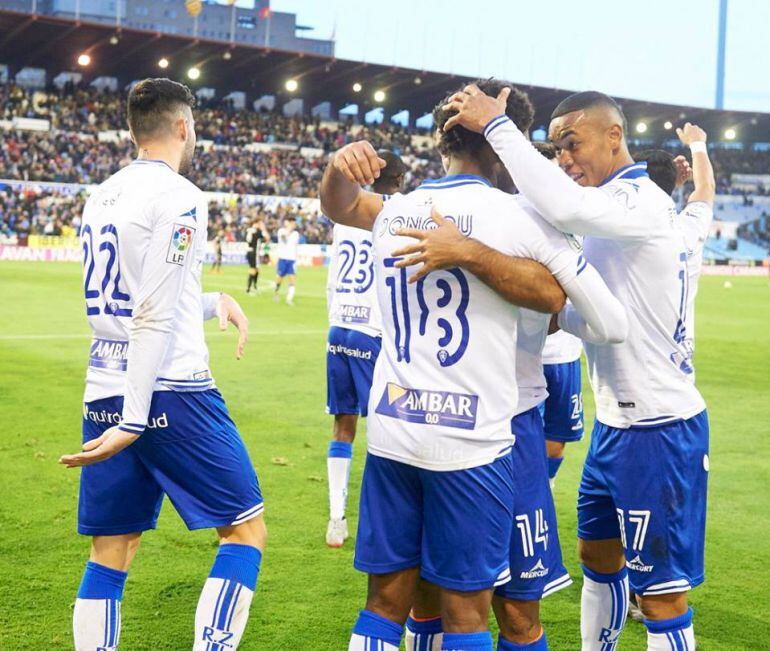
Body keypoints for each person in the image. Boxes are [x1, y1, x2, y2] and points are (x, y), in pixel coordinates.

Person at [321, 78, 627, 651]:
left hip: (403, 424)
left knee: (399, 600)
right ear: (501, 140)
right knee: (476, 609)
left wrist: (339, 168)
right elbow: (559, 297)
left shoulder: (400, 211)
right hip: (485, 435)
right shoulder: (523, 219)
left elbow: (341, 205)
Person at [444, 86, 710, 650]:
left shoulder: (638, 199)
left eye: (572, 143)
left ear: (615, 135)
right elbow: (608, 313)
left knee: (661, 593)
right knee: (598, 556)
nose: (562, 158)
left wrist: (497, 126)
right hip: (616, 425)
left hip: (660, 427)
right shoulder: (606, 209)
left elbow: (564, 206)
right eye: (555, 147)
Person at [59, 78, 266, 651]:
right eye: (194, 124)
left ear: (133, 130)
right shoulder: (179, 196)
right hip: (168, 392)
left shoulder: (100, 195)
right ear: (182, 126)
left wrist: (211, 302)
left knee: (112, 548)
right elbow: (149, 311)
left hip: (103, 385)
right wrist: (135, 416)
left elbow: (134, 296)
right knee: (245, 532)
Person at [324, 152, 405, 548]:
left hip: (339, 328)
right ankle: (383, 521)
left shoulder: (345, 218)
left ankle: (336, 519)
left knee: (343, 426)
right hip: (373, 332)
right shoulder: (394, 213)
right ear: (401, 178)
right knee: (387, 427)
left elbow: (330, 282)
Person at [533, 142, 585, 486]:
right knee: (518, 439)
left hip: (565, 353)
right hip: (526, 354)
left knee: (557, 440)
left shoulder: (577, 212)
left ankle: (544, 494)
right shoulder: (514, 214)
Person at [274, 216, 299, 305]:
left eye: (294, 223)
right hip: (282, 258)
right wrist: (289, 229)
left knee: (292, 279)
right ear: (287, 223)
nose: (294, 225)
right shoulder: (281, 231)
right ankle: (276, 292)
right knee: (279, 278)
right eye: (292, 223)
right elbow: (284, 240)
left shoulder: (296, 234)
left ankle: (289, 299)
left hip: (292, 260)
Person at [245, 218, 268, 294]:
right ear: (257, 223)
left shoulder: (248, 230)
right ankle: (248, 289)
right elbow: (267, 239)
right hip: (254, 252)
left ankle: (254, 286)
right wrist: (263, 229)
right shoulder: (258, 231)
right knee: (253, 270)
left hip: (249, 251)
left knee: (257, 269)